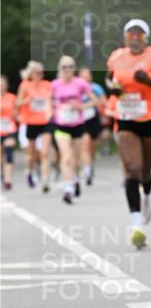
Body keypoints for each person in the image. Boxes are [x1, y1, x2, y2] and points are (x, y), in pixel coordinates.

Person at [106, 19, 151, 249]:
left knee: (146, 173)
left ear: (145, 37)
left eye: (139, 34)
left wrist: (150, 81)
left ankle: (146, 198)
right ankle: (136, 226)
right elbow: (109, 77)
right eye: (130, 34)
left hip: (149, 118)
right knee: (132, 169)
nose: (135, 38)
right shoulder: (116, 57)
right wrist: (112, 87)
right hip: (125, 117)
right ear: (126, 37)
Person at [50, 56, 92, 204]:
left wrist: (80, 106)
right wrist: (53, 109)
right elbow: (49, 102)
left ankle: (75, 180)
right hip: (61, 125)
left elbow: (94, 101)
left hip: (77, 124)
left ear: (74, 68)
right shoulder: (54, 84)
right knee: (66, 157)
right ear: (59, 69)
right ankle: (68, 189)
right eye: (64, 67)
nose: (67, 69)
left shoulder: (80, 83)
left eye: (70, 66)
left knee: (77, 160)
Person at [15, 60, 53, 192]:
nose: (40, 75)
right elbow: (18, 103)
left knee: (45, 152)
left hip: (45, 122)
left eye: (42, 73)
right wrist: (27, 100)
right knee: (31, 155)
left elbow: (50, 101)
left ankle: (45, 180)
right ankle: (30, 171)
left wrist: (50, 112)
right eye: (37, 72)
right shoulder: (25, 85)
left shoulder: (47, 85)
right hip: (30, 122)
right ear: (31, 73)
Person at [78, 66, 106, 185]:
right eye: (83, 76)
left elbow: (103, 101)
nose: (85, 78)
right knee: (85, 144)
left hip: (93, 118)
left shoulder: (96, 88)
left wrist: (94, 105)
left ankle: (90, 164)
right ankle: (87, 170)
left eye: (87, 75)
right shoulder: (76, 87)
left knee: (92, 147)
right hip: (80, 119)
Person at [0, 75, 18, 190]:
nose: (1, 86)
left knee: (9, 152)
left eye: (3, 84)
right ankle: (2, 175)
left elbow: (17, 114)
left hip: (10, 129)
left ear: (7, 85)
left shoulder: (12, 97)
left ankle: (8, 179)